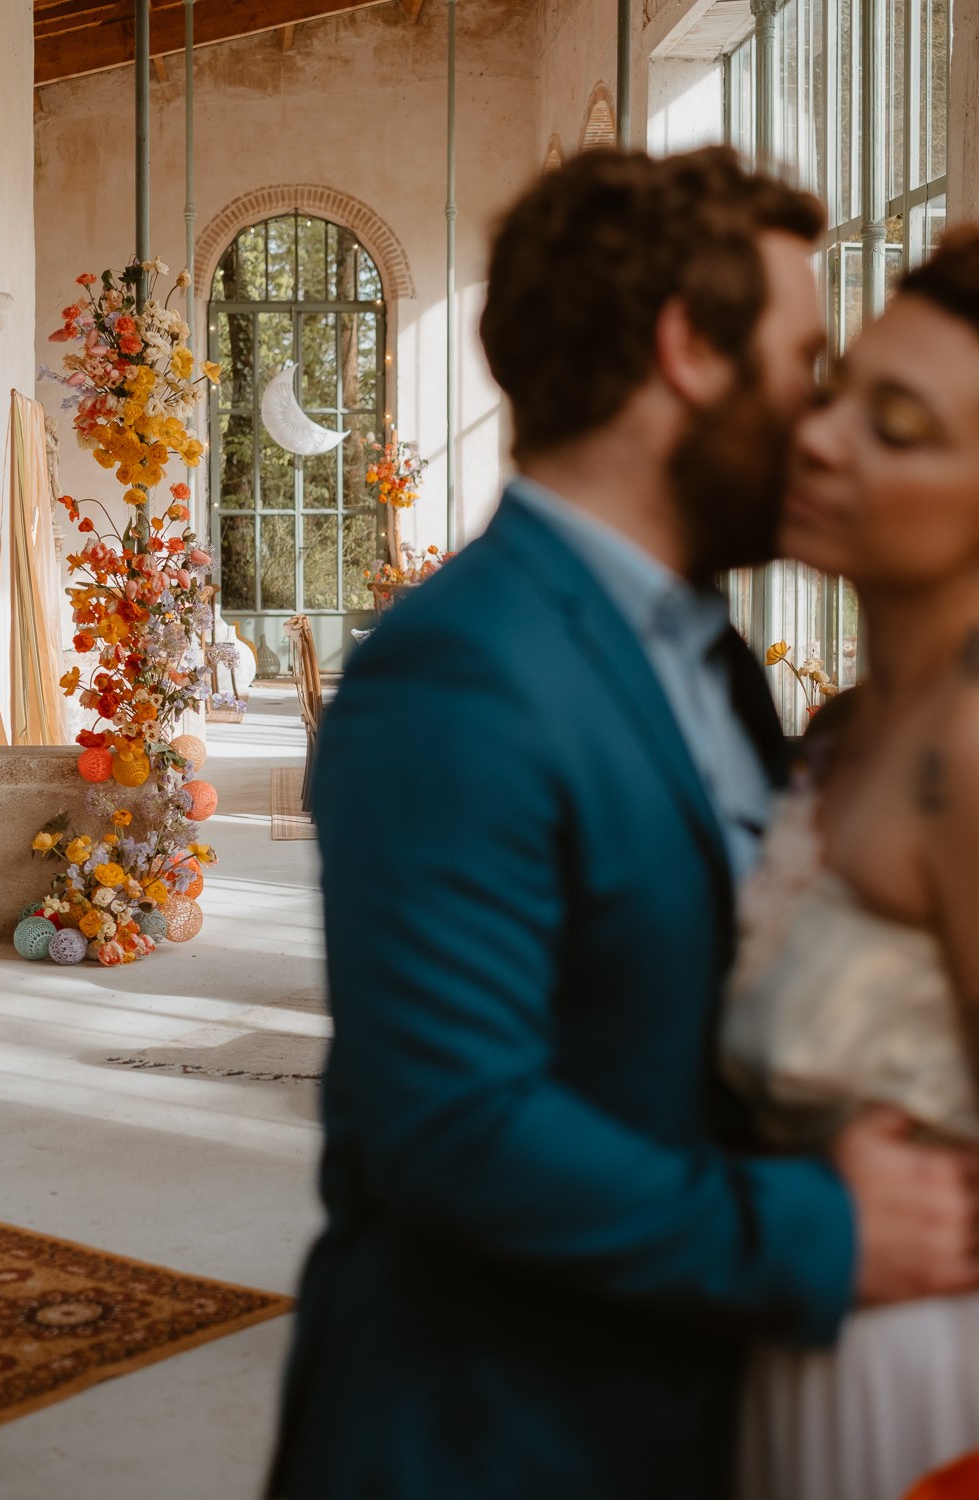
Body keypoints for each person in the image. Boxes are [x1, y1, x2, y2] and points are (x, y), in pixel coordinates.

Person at [266, 149, 979, 1500]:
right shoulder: (460, 667)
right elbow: (455, 1129)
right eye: (805, 358)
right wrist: (812, 1228)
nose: (815, 419)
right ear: (688, 351)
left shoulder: (714, 656)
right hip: (497, 1440)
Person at [724, 226, 979, 1500]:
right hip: (794, 1350)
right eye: (837, 394)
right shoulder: (846, 733)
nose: (819, 437)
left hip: (924, 1402)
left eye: (901, 425)